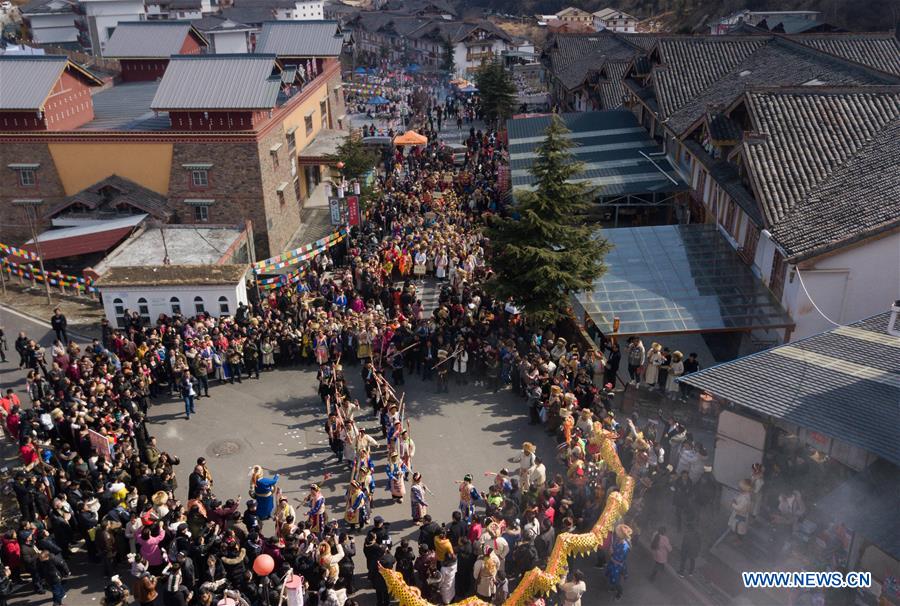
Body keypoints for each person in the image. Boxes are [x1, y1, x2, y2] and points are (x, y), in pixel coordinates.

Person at [729, 478, 753, 543]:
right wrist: (735, 500)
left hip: (741, 515)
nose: (739, 488)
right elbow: (739, 499)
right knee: (736, 527)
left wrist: (733, 504)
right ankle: (736, 537)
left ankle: (739, 540)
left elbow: (739, 508)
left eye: (741, 487)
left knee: (739, 528)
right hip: (739, 514)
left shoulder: (746, 498)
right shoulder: (744, 494)